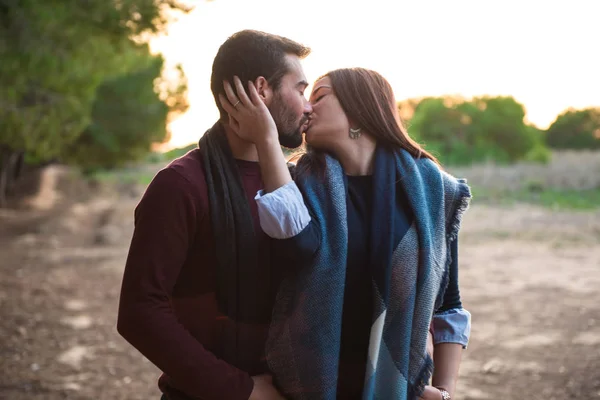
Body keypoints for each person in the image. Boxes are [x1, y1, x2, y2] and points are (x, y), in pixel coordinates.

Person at [219, 68, 472, 400]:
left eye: (319, 97)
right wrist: (267, 138)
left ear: (361, 106)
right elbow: (293, 244)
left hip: (396, 388)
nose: (306, 109)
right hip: (305, 386)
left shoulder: (433, 191)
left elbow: (448, 305)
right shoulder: (295, 186)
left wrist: (443, 390)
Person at [116, 29, 314, 400]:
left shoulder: (302, 183)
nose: (308, 106)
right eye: (300, 89)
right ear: (260, 90)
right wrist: (240, 390)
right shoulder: (181, 185)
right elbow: (140, 311)